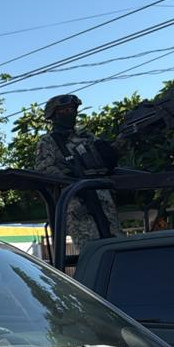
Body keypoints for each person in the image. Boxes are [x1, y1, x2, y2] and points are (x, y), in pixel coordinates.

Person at [33, 94, 123, 249]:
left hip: (102, 196)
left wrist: (124, 138)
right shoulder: (49, 141)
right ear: (54, 115)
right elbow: (44, 169)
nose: (70, 113)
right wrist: (70, 178)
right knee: (91, 248)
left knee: (115, 243)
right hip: (76, 200)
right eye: (64, 110)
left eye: (72, 109)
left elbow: (108, 157)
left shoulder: (86, 137)